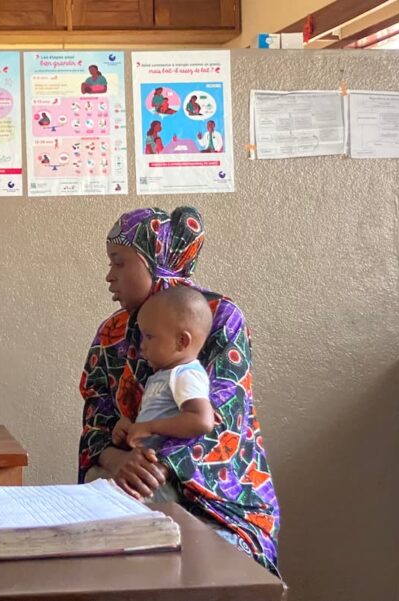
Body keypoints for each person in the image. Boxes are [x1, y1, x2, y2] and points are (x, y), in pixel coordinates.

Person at [79, 207, 280, 576]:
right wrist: (117, 460)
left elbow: (222, 418)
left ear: (153, 260)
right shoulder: (112, 333)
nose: (110, 276)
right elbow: (97, 420)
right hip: (126, 477)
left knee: (182, 558)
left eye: (119, 262)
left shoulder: (220, 318)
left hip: (216, 500)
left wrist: (153, 468)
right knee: (91, 539)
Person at [111, 286, 214, 459]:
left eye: (149, 337)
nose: (142, 345)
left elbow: (201, 421)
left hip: (165, 466)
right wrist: (129, 430)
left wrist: (150, 427)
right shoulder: (163, 376)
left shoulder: (186, 374)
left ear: (181, 341)